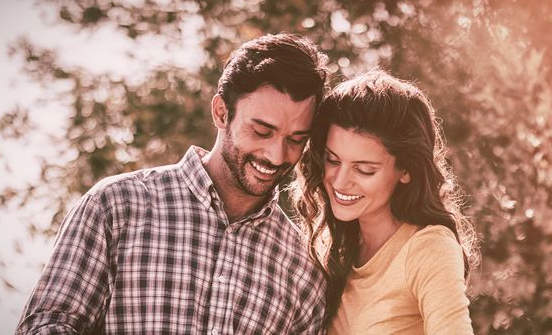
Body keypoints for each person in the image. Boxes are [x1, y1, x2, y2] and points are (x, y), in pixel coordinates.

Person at [17, 33, 330, 334]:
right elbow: (45, 326)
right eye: (262, 132)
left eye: (295, 139)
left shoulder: (303, 267)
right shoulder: (117, 205)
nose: (276, 155)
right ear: (221, 112)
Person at [294, 71, 478, 334]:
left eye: (365, 169)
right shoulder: (335, 247)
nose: (340, 181)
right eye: (333, 160)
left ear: (406, 171)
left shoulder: (428, 248)